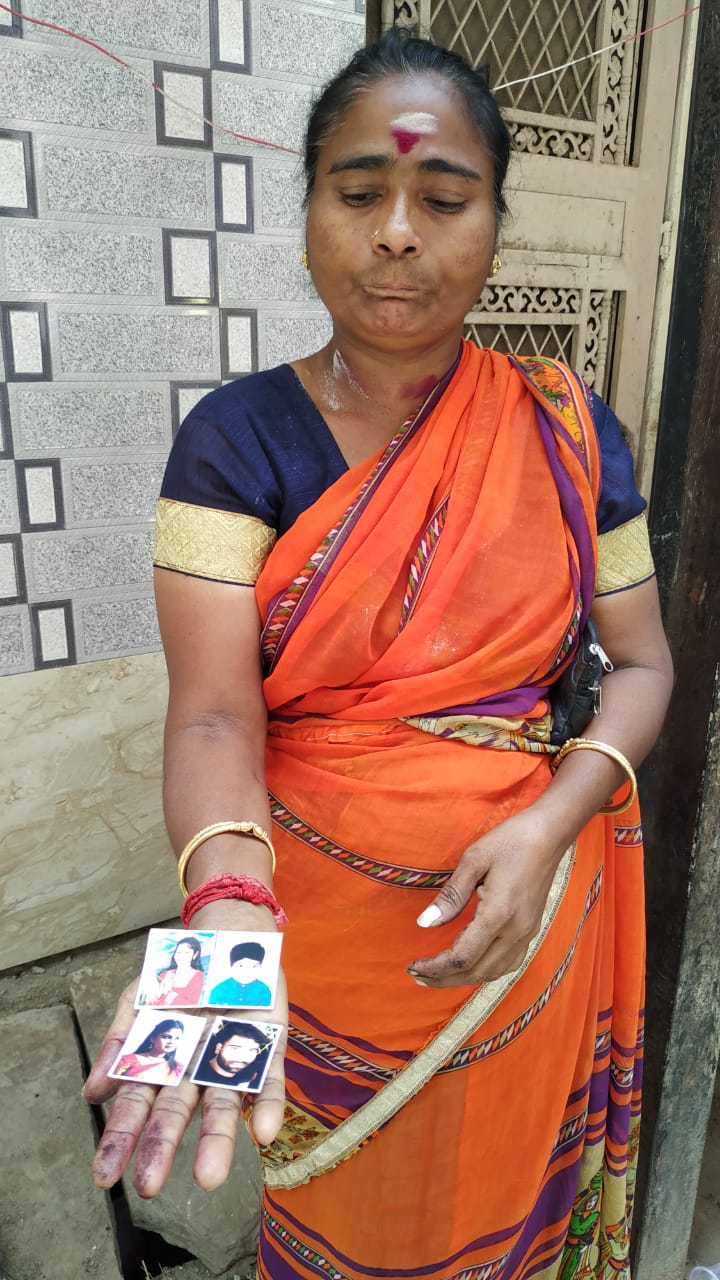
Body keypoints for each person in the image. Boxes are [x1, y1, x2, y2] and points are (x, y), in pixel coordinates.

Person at [85, 27, 673, 1280]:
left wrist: (551, 823)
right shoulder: (236, 442)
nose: (398, 230)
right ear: (307, 215)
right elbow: (212, 719)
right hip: (319, 955)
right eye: (360, 192)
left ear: (494, 226)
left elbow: (645, 666)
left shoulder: (573, 435)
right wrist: (227, 925)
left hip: (522, 936)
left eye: (442, 196)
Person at [192, 1020, 273, 1090]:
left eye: (252, 1051)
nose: (242, 1058)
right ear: (218, 1048)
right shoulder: (195, 1070)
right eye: (235, 1048)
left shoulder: (249, 1081)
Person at [113, 1020, 186, 1086]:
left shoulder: (178, 1068)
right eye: (166, 1037)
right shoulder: (127, 1060)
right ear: (152, 1038)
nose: (172, 1042)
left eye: (177, 1038)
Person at [209, 941, 273, 1007]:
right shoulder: (220, 989)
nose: (247, 971)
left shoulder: (263, 990)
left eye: (254, 966)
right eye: (241, 966)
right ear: (231, 966)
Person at [151, 935, 206, 1007]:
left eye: (186, 952)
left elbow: (193, 1005)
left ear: (195, 954)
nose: (181, 956)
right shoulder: (164, 974)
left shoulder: (198, 976)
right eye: (178, 952)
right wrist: (159, 992)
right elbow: (150, 1003)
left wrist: (169, 994)